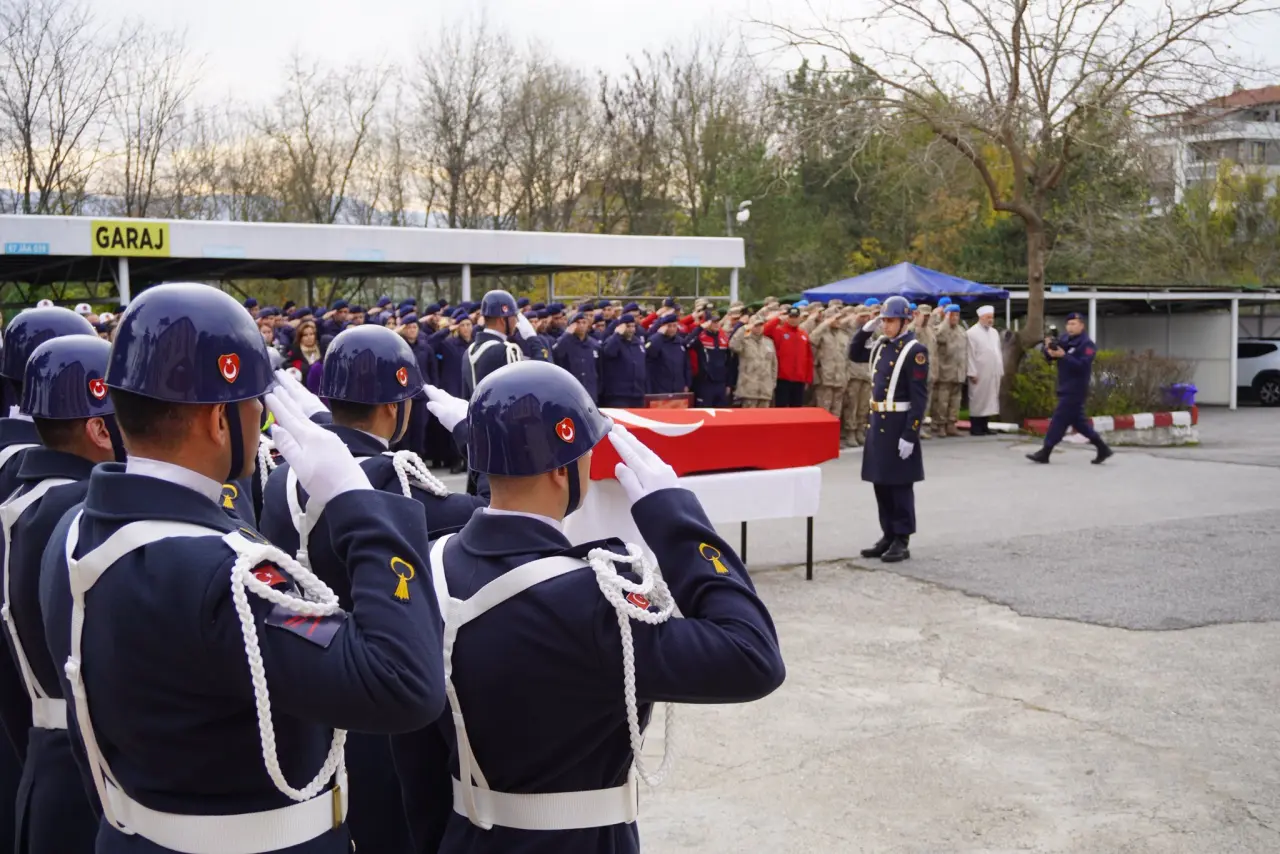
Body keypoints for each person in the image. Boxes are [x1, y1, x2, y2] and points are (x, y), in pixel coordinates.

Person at [38, 283, 447, 854]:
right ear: (217, 419)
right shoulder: (228, 577)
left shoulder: (73, 529)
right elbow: (404, 683)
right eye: (254, 400)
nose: (260, 415)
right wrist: (359, 501)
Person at [396, 360, 785, 854]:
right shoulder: (596, 600)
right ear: (563, 469)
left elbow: (414, 758)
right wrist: (678, 519)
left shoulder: (427, 570)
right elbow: (752, 656)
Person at [260, 327, 486, 854]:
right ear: (394, 409)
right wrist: (473, 439)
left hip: (302, 687)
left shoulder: (280, 475)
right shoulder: (393, 479)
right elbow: (494, 513)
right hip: (379, 696)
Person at [1, 335, 123, 854]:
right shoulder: (85, 509)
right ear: (99, 428)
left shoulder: (23, 499)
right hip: (91, 774)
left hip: (45, 758)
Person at [849, 296, 928, 563]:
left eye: (891, 321)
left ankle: (901, 539)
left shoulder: (915, 351)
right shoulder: (881, 346)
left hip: (898, 424)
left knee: (900, 485)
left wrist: (910, 434)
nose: (886, 325)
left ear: (905, 322)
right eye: (884, 321)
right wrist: (866, 330)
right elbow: (854, 353)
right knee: (881, 483)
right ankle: (888, 534)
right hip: (878, 423)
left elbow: (919, 398)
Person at [1027, 312, 1113, 465]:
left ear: (1081, 326)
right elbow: (1051, 356)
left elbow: (1082, 365)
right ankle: (1102, 448)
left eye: (1074, 324)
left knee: (1058, 420)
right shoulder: (1065, 339)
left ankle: (1045, 451)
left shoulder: (1087, 344)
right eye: (1068, 324)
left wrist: (1064, 356)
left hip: (1076, 388)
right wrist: (1048, 349)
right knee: (1079, 423)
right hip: (1064, 385)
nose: (1070, 327)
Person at [462, 290, 536, 399]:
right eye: (514, 317)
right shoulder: (507, 351)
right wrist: (532, 338)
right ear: (502, 320)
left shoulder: (468, 352)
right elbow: (537, 379)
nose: (516, 322)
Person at [762, 307, 814, 408]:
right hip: (783, 378)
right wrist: (778, 318)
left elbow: (808, 357)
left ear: (800, 318)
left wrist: (808, 378)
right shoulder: (779, 331)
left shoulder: (803, 335)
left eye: (796, 317)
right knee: (781, 408)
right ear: (787, 318)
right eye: (791, 317)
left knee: (797, 409)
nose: (793, 319)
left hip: (799, 379)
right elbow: (765, 331)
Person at [966, 305, 1004, 435]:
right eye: (988, 317)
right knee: (978, 399)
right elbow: (970, 354)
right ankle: (976, 427)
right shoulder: (972, 333)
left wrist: (1000, 369)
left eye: (992, 317)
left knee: (990, 399)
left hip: (992, 371)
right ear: (981, 317)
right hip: (979, 371)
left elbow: (997, 351)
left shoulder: (994, 332)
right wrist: (972, 372)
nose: (990, 320)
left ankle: (985, 426)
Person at [931, 305, 968, 437]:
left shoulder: (961, 331)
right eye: (952, 315)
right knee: (942, 401)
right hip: (945, 372)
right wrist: (945, 321)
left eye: (957, 315)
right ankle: (940, 425)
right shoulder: (941, 329)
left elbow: (965, 351)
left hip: (958, 372)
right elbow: (938, 336)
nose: (955, 318)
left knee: (955, 401)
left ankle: (951, 424)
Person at [842, 305, 877, 447]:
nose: (865, 319)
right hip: (853, 373)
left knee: (864, 405)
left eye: (867, 316)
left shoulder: (871, 331)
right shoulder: (849, 330)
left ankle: (860, 430)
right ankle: (850, 431)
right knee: (852, 404)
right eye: (862, 316)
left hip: (867, 373)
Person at [809, 307, 851, 420]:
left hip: (840, 379)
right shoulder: (821, 333)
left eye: (839, 318)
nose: (838, 321)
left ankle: (834, 431)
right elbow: (812, 339)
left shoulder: (843, 335)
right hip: (825, 378)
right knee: (823, 411)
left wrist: (847, 377)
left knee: (836, 412)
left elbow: (847, 358)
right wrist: (825, 324)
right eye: (835, 318)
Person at [553, 311, 603, 403]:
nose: (581, 325)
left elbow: (600, 369)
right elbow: (557, 353)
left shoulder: (594, 344)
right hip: (570, 391)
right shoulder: (565, 341)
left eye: (584, 322)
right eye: (578, 323)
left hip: (590, 391)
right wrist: (567, 334)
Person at [728, 314, 777, 408]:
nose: (759, 328)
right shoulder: (744, 340)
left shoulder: (769, 342)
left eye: (761, 325)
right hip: (748, 391)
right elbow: (733, 345)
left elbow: (774, 365)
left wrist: (772, 384)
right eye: (756, 325)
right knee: (748, 416)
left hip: (765, 391)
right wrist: (744, 329)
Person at [599, 315, 647, 408]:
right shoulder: (613, 341)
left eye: (633, 326)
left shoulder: (638, 343)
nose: (631, 329)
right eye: (628, 326)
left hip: (637, 394)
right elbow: (609, 352)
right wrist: (617, 334)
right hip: (618, 395)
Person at [688, 311, 732, 406]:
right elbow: (686, 343)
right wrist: (700, 328)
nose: (716, 324)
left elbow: (729, 363)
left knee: (722, 412)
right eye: (713, 322)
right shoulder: (701, 337)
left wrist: (728, 384)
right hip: (705, 383)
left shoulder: (724, 338)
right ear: (707, 323)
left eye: (717, 321)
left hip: (721, 383)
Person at [644, 314, 690, 396]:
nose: (672, 329)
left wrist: (687, 384)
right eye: (669, 326)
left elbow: (686, 365)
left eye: (674, 326)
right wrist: (659, 335)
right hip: (660, 388)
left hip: (678, 387)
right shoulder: (655, 340)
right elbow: (649, 353)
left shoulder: (680, 342)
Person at [284, 317, 322, 382]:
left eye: (311, 334)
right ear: (300, 337)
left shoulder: (321, 349)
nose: (309, 337)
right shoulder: (295, 352)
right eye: (305, 335)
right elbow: (286, 365)